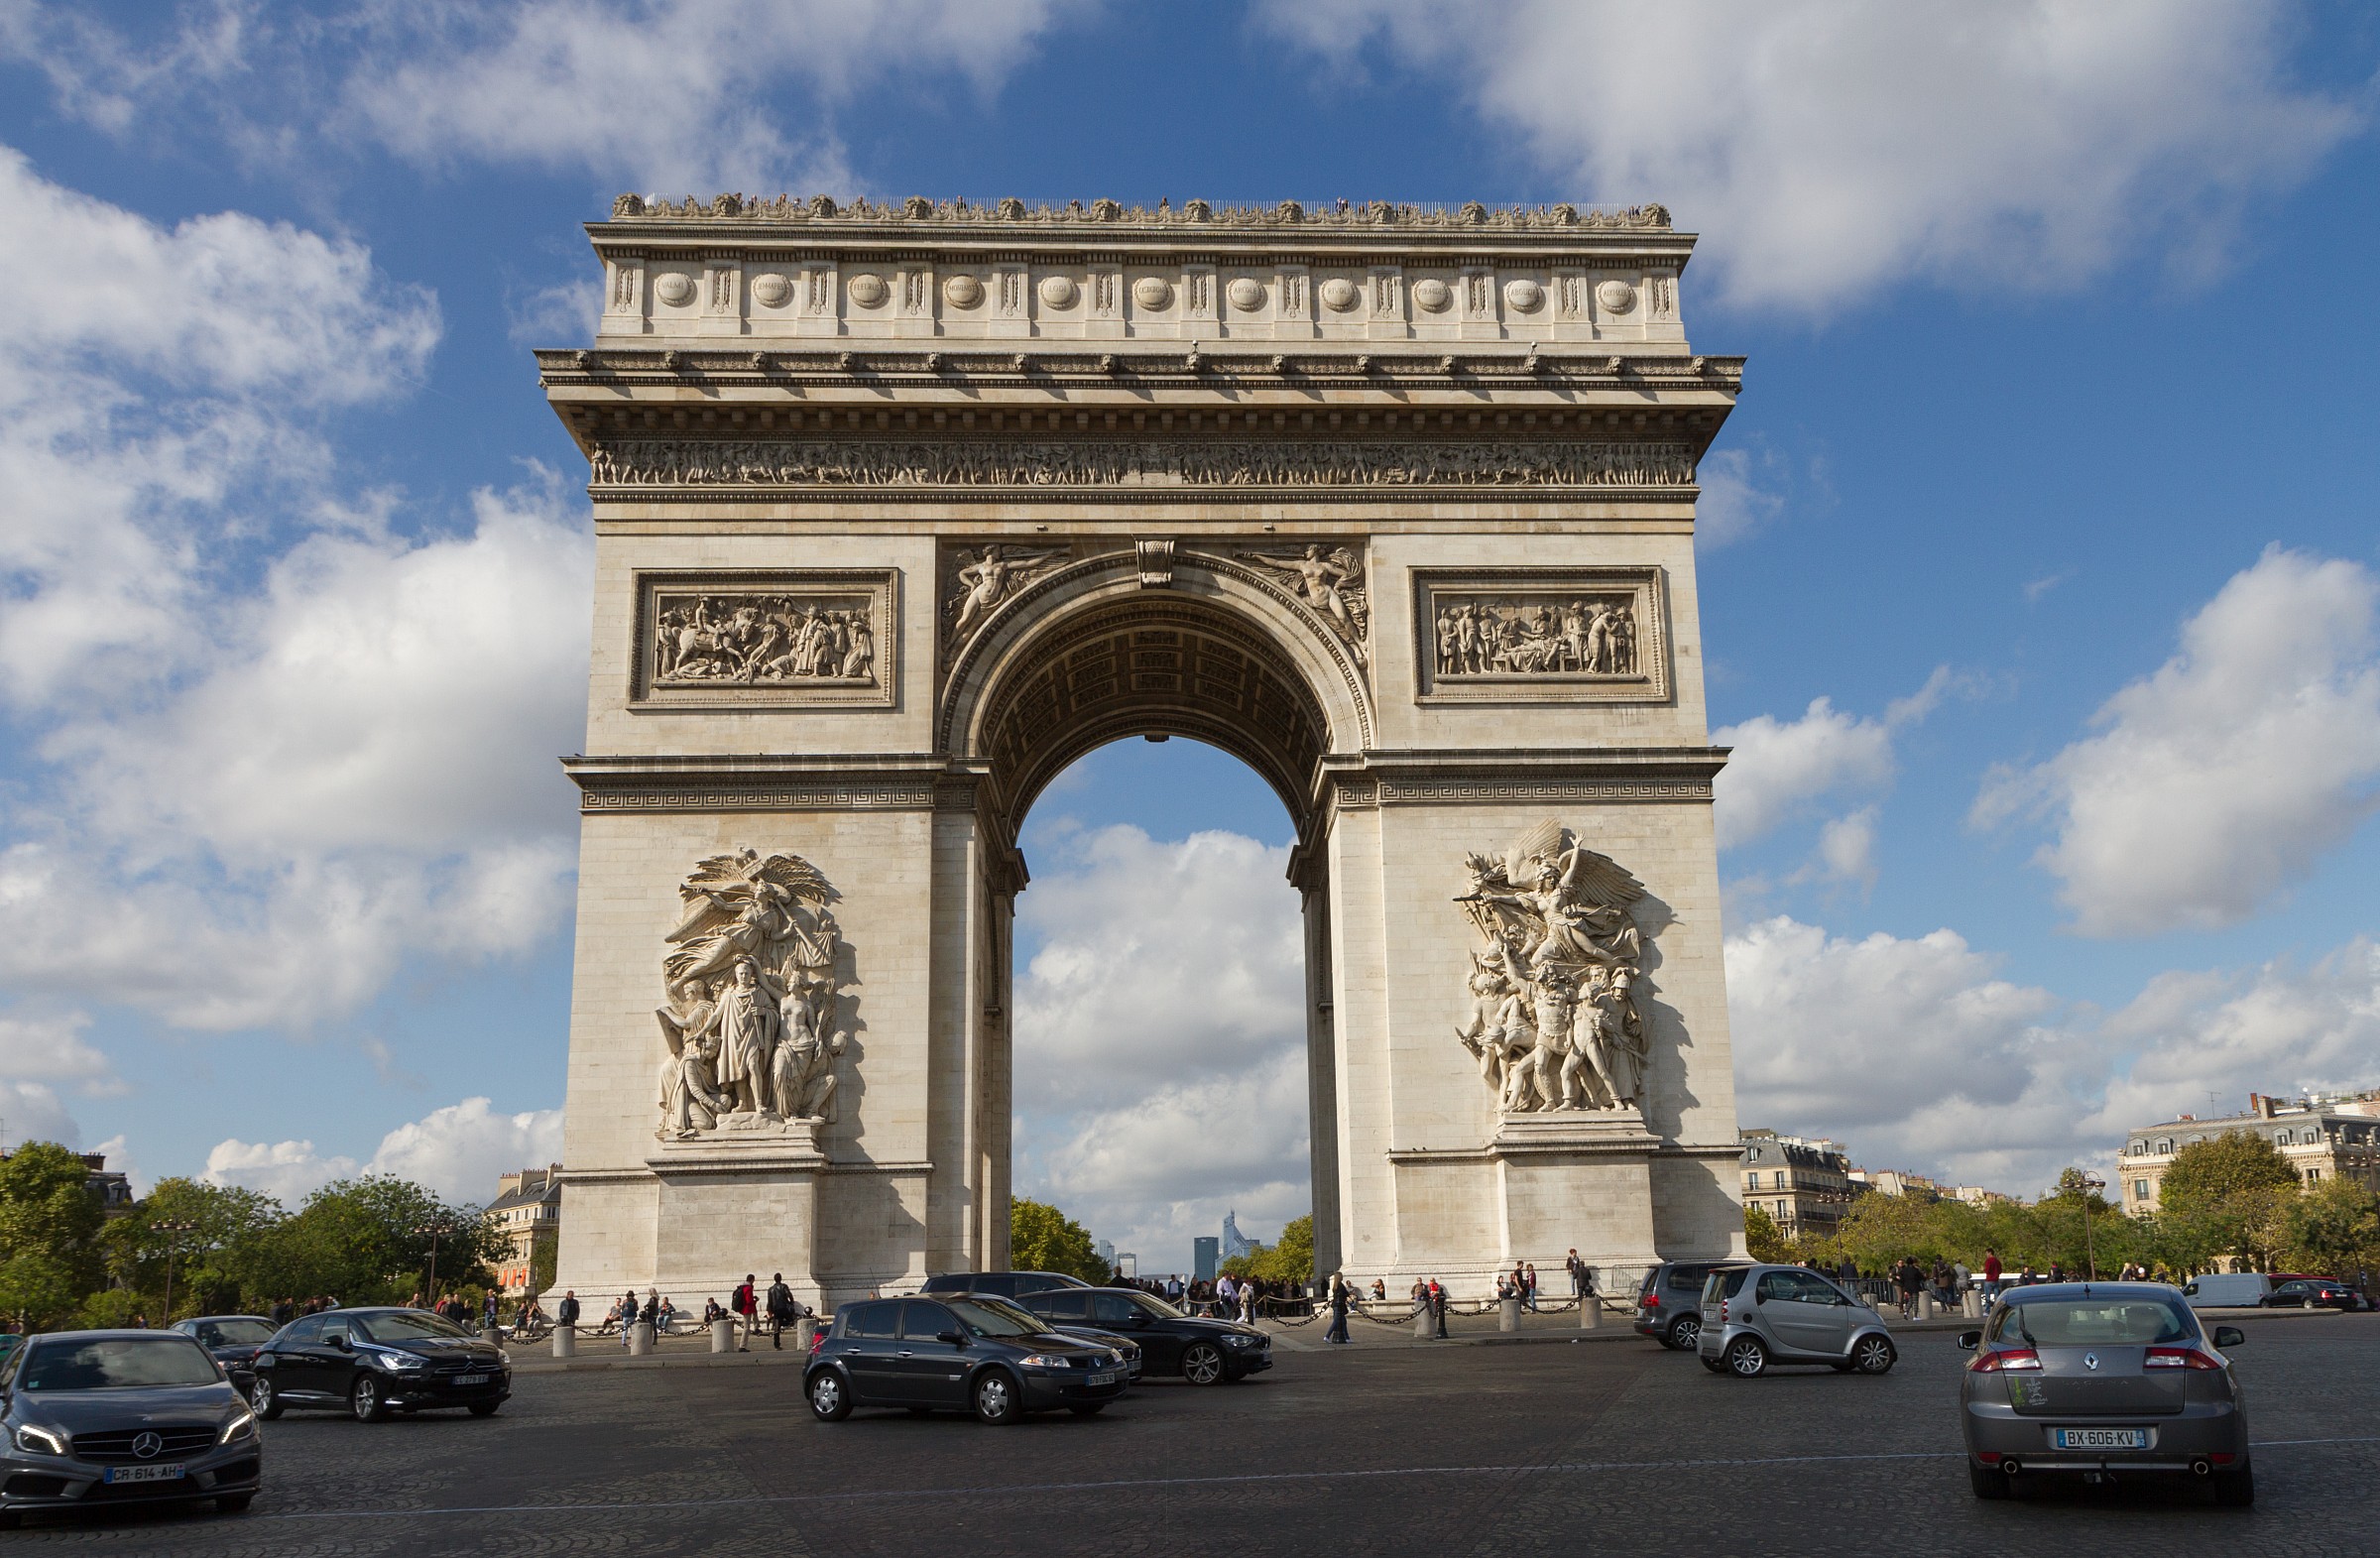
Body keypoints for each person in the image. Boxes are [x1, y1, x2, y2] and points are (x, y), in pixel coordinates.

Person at [767, 1272, 795, 1349]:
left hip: (776, 1309)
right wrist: (791, 1302)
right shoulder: (783, 1286)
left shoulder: (770, 1289)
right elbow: (789, 1294)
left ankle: (776, 1344)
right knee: (791, 1321)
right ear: (780, 1278)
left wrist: (770, 1311)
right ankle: (782, 1323)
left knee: (777, 1327)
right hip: (784, 1307)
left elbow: (769, 1301)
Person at [733, 1273, 759, 1351]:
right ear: (752, 1280)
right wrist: (755, 1301)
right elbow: (749, 1301)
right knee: (746, 1328)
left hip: (745, 1309)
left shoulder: (743, 1287)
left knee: (755, 1313)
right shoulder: (748, 1288)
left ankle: (757, 1327)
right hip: (747, 1309)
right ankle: (742, 1346)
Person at [1325, 1271, 1352, 1345]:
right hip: (1339, 1305)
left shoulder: (1335, 1285)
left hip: (1336, 1305)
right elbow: (1345, 1293)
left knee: (1343, 1322)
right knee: (1336, 1322)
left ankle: (1347, 1338)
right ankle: (1327, 1336)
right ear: (1340, 1277)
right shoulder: (1340, 1285)